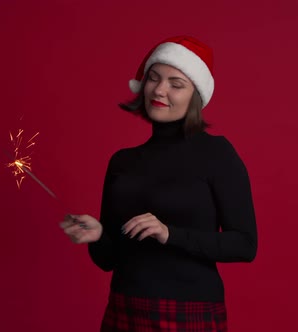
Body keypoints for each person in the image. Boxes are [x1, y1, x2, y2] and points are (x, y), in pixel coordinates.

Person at [59, 35, 257, 332]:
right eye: (153, 78)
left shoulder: (217, 153)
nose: (160, 90)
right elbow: (109, 259)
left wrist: (169, 234)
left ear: (195, 96)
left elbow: (245, 244)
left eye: (176, 84)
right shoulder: (122, 162)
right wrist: (98, 235)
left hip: (189, 312)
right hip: (125, 307)